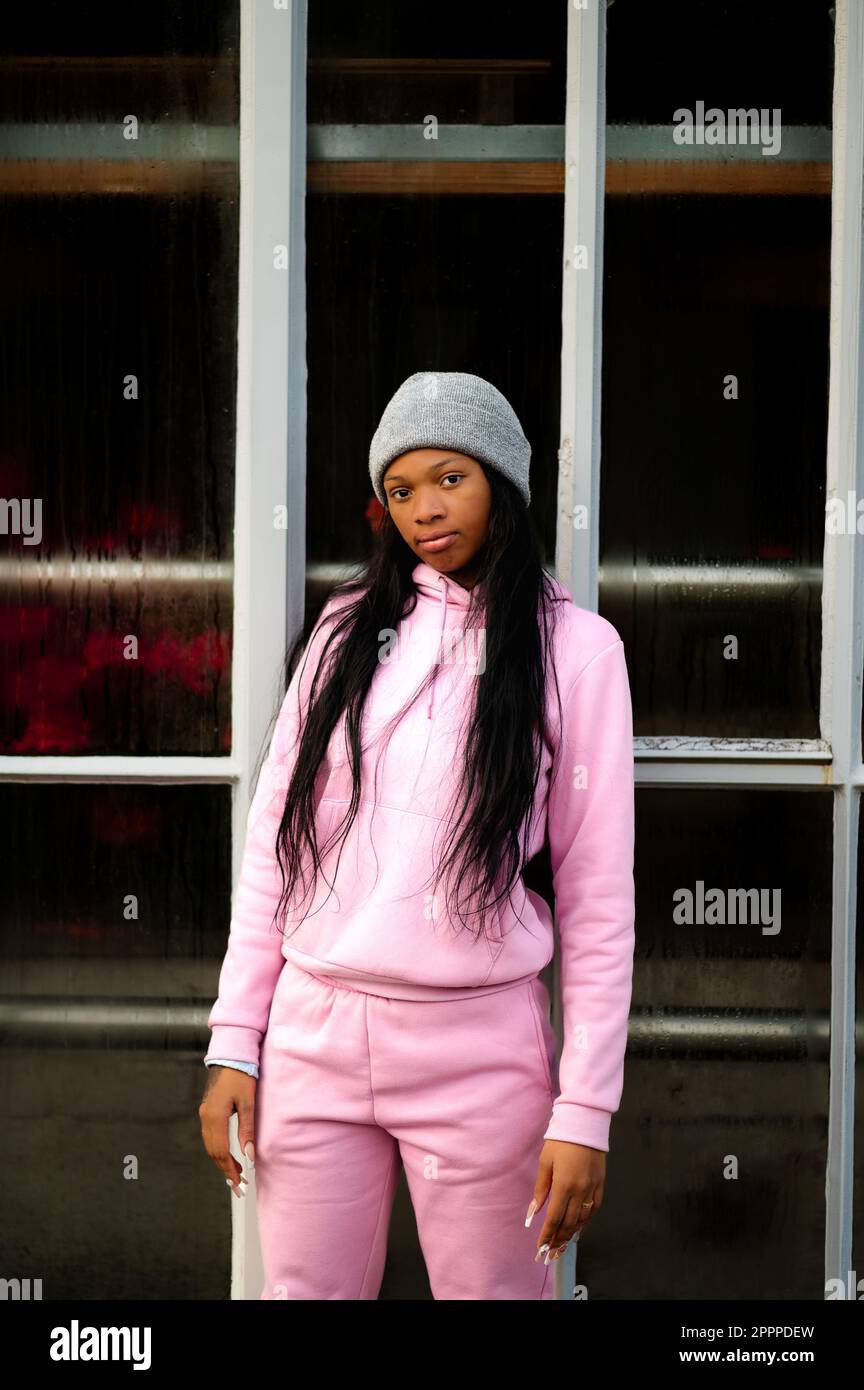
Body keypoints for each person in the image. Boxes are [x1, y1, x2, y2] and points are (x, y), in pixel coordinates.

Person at [198, 370, 635, 1300]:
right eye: (400, 490)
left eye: (450, 478)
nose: (425, 511)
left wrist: (586, 1109)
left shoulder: (578, 649)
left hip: (478, 1050)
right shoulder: (347, 629)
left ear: (502, 484)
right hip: (312, 1038)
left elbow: (598, 900)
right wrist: (236, 1042)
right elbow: (276, 845)